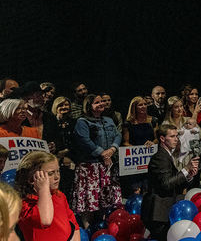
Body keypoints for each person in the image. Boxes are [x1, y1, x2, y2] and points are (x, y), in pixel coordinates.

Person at [141, 124, 199, 241]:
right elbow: (166, 184)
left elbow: (174, 186)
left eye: (176, 136)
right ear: (162, 139)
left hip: (163, 212)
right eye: (172, 136)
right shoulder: (160, 157)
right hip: (158, 214)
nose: (176, 139)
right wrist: (186, 169)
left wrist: (189, 176)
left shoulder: (167, 156)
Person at [72, 94, 122, 228]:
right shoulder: (82, 122)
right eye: (97, 102)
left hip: (106, 166)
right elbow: (84, 141)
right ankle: (87, 228)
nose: (101, 104)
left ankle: (101, 226)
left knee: (103, 199)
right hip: (89, 166)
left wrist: (112, 150)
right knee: (89, 201)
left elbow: (118, 135)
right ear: (89, 106)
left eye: (102, 102)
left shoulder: (109, 120)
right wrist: (103, 154)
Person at [14, 151, 80, 241]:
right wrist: (42, 189)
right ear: (31, 179)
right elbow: (44, 220)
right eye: (50, 173)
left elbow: (73, 223)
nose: (57, 176)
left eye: (58, 171)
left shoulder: (59, 195)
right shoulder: (25, 204)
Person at [42, 97, 78, 204]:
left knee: (69, 189)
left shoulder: (74, 122)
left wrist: (67, 152)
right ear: (55, 107)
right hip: (53, 159)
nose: (64, 107)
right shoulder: (50, 122)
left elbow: (77, 142)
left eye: (66, 105)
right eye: (60, 105)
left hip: (71, 159)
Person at [122, 96, 159, 196]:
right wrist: (138, 149)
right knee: (136, 189)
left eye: (145, 104)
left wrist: (152, 143)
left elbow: (157, 139)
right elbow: (125, 142)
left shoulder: (153, 120)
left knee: (148, 188)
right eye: (140, 105)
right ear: (134, 107)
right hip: (135, 160)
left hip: (149, 158)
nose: (144, 106)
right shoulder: (128, 123)